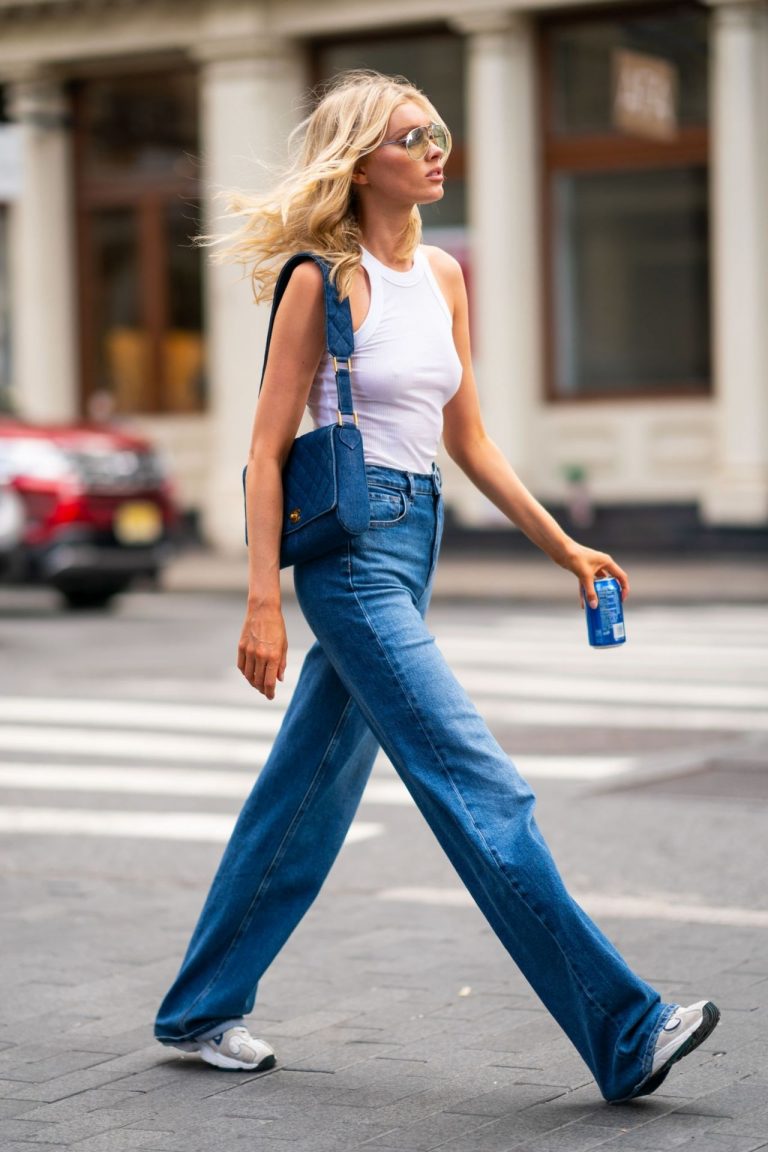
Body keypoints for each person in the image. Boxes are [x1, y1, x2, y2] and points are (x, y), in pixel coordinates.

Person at [154, 70, 719, 1102]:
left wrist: (563, 546)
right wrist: (260, 597)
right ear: (365, 160)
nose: (436, 148)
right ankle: (624, 1028)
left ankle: (200, 1005)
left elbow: (468, 437)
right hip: (350, 555)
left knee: (307, 795)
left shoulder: (446, 276)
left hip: (416, 541)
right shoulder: (320, 280)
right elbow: (268, 448)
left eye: (438, 131)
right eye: (414, 135)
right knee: (480, 786)